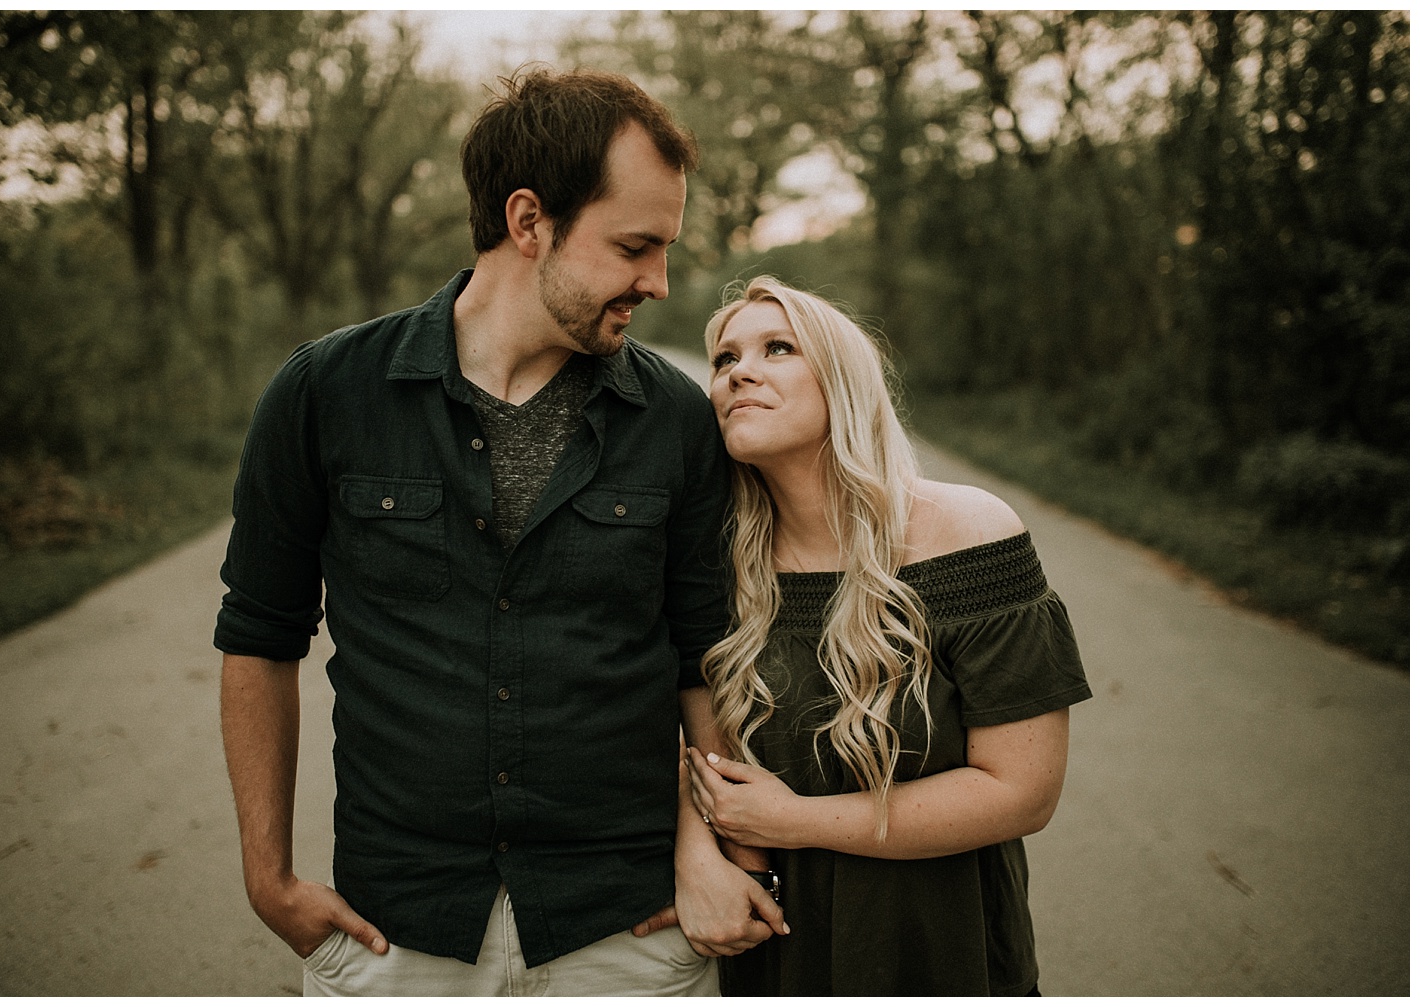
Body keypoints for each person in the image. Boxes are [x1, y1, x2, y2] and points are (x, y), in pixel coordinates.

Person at [215, 68, 781, 998]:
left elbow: (704, 663)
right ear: (529, 221)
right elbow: (258, 637)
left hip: (626, 927)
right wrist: (268, 877)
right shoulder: (325, 394)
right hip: (395, 926)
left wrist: (735, 858)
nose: (660, 282)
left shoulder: (677, 420)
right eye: (636, 246)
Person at [687, 276, 1092, 996]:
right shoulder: (718, 565)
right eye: (723, 359)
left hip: (940, 947)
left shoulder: (967, 535)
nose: (738, 371)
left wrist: (797, 819)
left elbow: (1023, 791)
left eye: (777, 347)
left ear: (843, 380)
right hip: (778, 949)